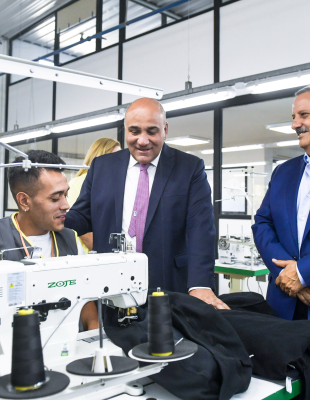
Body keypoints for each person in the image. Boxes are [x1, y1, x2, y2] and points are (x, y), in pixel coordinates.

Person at [66, 98, 228, 309]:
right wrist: (48, 216)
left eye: (151, 131)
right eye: (134, 131)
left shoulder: (189, 168)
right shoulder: (102, 166)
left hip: (167, 285)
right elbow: (81, 217)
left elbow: (201, 229)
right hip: (111, 284)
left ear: (165, 129)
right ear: (125, 130)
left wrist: (200, 284)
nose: (142, 141)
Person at [0, 150, 98, 330]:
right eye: (55, 198)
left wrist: (94, 341)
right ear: (24, 201)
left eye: (65, 195)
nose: (65, 205)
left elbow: (85, 302)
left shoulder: (70, 239)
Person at [253, 84, 310, 321]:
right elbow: (262, 223)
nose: (294, 124)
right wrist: (286, 273)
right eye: (293, 117)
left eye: (303, 115)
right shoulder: (283, 172)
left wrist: (302, 273)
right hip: (282, 305)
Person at [67, 137, 121, 253]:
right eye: (114, 157)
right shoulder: (78, 183)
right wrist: (106, 254)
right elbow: (82, 227)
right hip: (91, 255)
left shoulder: (114, 183)